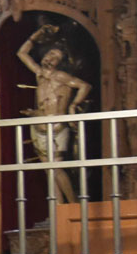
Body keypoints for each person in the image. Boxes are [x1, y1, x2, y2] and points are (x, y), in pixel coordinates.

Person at [16, 23, 91, 204]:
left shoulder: (60, 76)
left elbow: (84, 86)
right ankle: (58, 209)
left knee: (56, 167)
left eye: (55, 56)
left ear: (60, 62)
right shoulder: (40, 74)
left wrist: (73, 106)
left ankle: (74, 205)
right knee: (49, 170)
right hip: (39, 124)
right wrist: (36, 35)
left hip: (56, 124)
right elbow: (22, 53)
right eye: (50, 53)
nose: (50, 58)